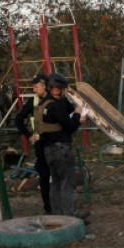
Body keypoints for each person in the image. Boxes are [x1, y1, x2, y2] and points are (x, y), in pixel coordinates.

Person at [38, 73, 87, 216]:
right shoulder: (55, 107)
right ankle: (69, 219)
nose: (65, 92)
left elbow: (66, 110)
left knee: (56, 184)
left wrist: (73, 111)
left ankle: (58, 217)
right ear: (57, 90)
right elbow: (70, 126)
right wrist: (78, 115)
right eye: (63, 90)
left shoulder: (43, 104)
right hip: (61, 150)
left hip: (48, 150)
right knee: (67, 184)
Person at [14, 73, 52, 213]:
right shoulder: (33, 102)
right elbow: (18, 120)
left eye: (36, 87)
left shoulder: (56, 99)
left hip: (56, 144)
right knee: (44, 174)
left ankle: (63, 206)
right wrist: (29, 135)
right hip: (40, 144)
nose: (34, 90)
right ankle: (48, 207)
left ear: (44, 86)